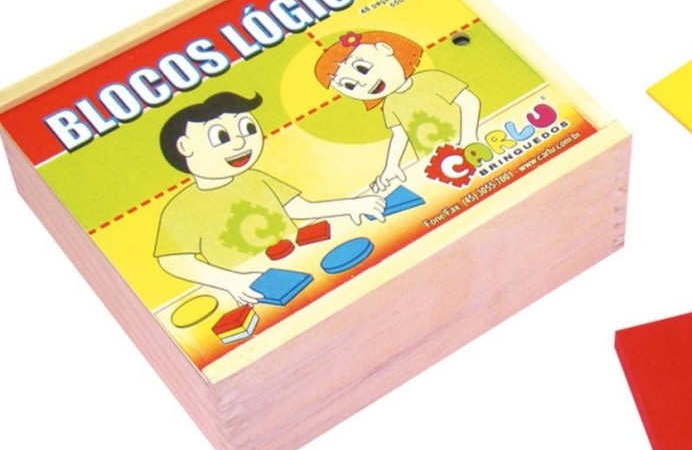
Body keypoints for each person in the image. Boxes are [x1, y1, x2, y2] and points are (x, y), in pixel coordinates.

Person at [154, 91, 383, 304]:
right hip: (252, 285)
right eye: (222, 137)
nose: (241, 143)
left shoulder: (255, 178)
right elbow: (174, 261)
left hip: (303, 263)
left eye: (248, 129)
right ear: (185, 147)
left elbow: (298, 208)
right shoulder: (180, 208)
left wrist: (351, 206)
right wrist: (230, 281)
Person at [314, 30, 480, 193]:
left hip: (472, 145)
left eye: (363, 69)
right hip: (438, 159)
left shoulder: (432, 78)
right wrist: (391, 166)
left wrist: (468, 138)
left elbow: (469, 102)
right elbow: (400, 135)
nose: (363, 83)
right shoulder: (390, 104)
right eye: (350, 85)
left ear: (384, 49)